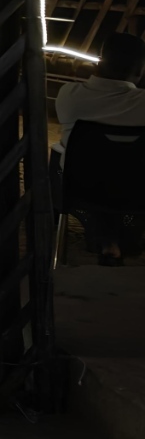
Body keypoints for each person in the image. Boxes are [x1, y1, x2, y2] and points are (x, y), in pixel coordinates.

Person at [55, 32, 145, 266]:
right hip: (137, 190)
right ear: (139, 70)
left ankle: (106, 238)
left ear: (99, 61)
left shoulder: (68, 95)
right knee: (121, 170)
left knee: (73, 159)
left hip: (81, 188)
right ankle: (119, 237)